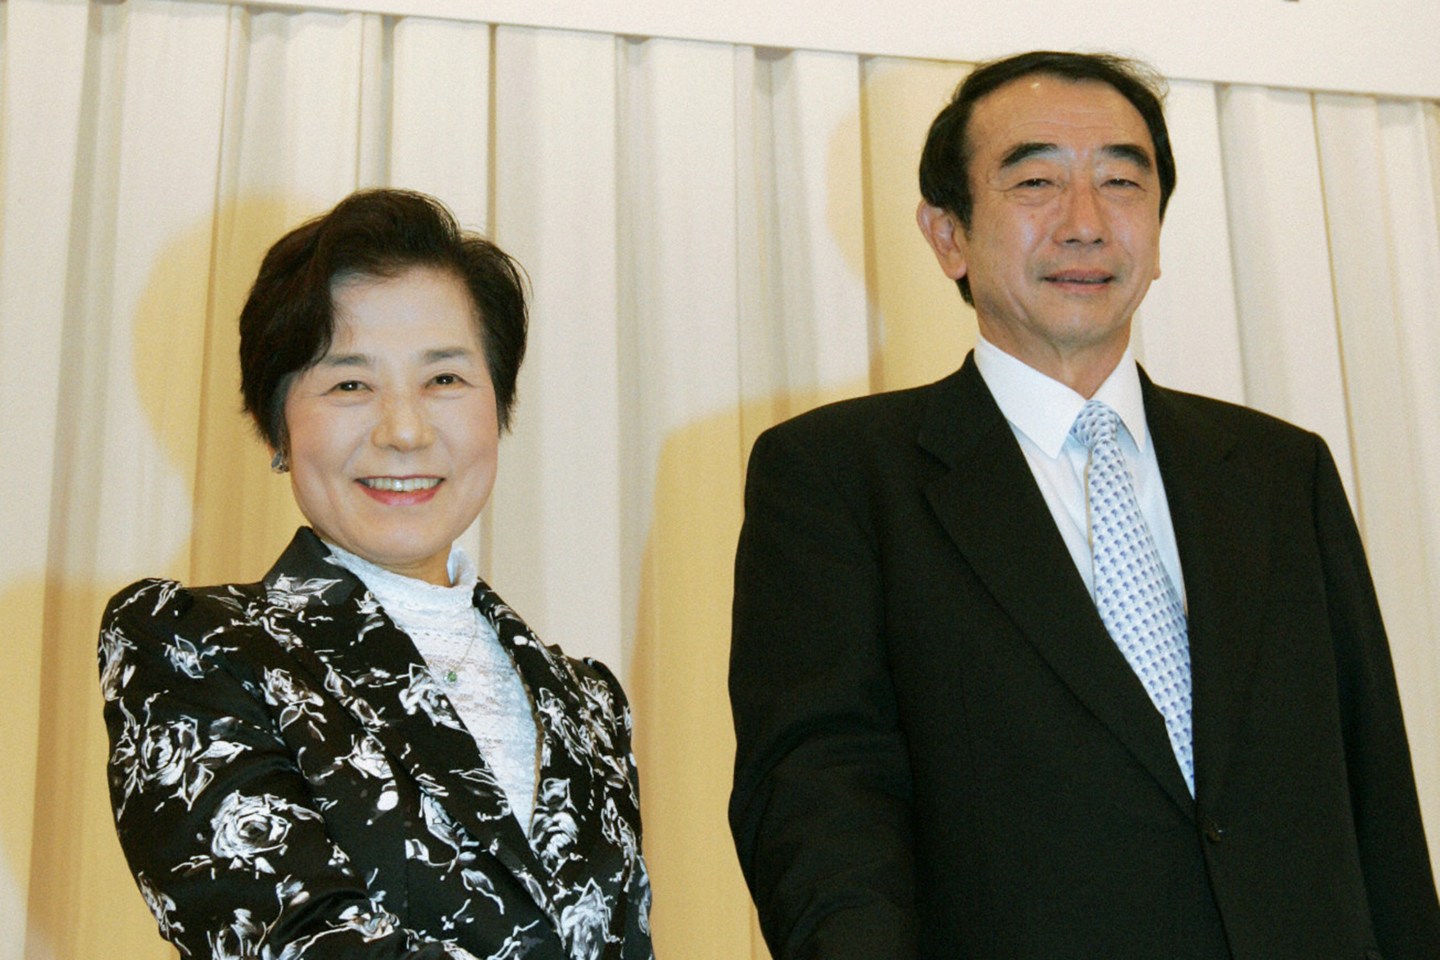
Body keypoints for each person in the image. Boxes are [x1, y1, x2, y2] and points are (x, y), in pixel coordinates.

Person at [728, 51, 1440, 960]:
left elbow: (1376, 795)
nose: (1085, 224)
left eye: (1120, 182)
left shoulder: (1279, 472)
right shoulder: (837, 476)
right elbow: (819, 801)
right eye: (1036, 183)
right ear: (947, 235)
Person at [99, 189, 652, 960]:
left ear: (498, 407)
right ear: (276, 427)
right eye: (350, 384)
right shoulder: (196, 649)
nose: (404, 430)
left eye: (445, 379)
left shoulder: (586, 702)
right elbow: (294, 942)